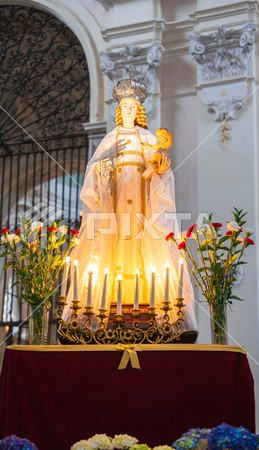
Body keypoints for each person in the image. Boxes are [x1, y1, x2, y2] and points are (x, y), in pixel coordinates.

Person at [62, 76, 198, 338]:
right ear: (118, 111)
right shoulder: (110, 139)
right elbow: (94, 174)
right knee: (112, 246)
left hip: (143, 210)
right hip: (114, 209)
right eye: (125, 107)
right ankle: (109, 297)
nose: (128, 111)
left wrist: (160, 171)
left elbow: (162, 175)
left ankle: (146, 296)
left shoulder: (148, 138)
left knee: (144, 245)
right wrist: (106, 165)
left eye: (133, 108)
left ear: (139, 112)